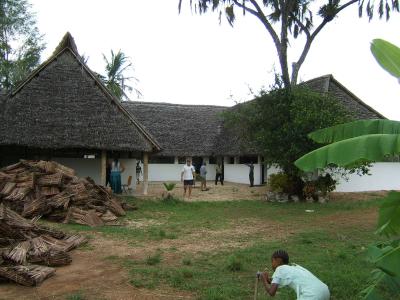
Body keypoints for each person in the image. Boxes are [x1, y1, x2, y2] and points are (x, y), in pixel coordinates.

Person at [259, 250, 330, 299]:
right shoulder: (294, 267)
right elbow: (277, 282)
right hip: (325, 291)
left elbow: (272, 293)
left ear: (276, 260)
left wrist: (263, 279)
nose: (272, 264)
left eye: (272, 261)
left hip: (312, 296)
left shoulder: (280, 269)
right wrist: (268, 280)